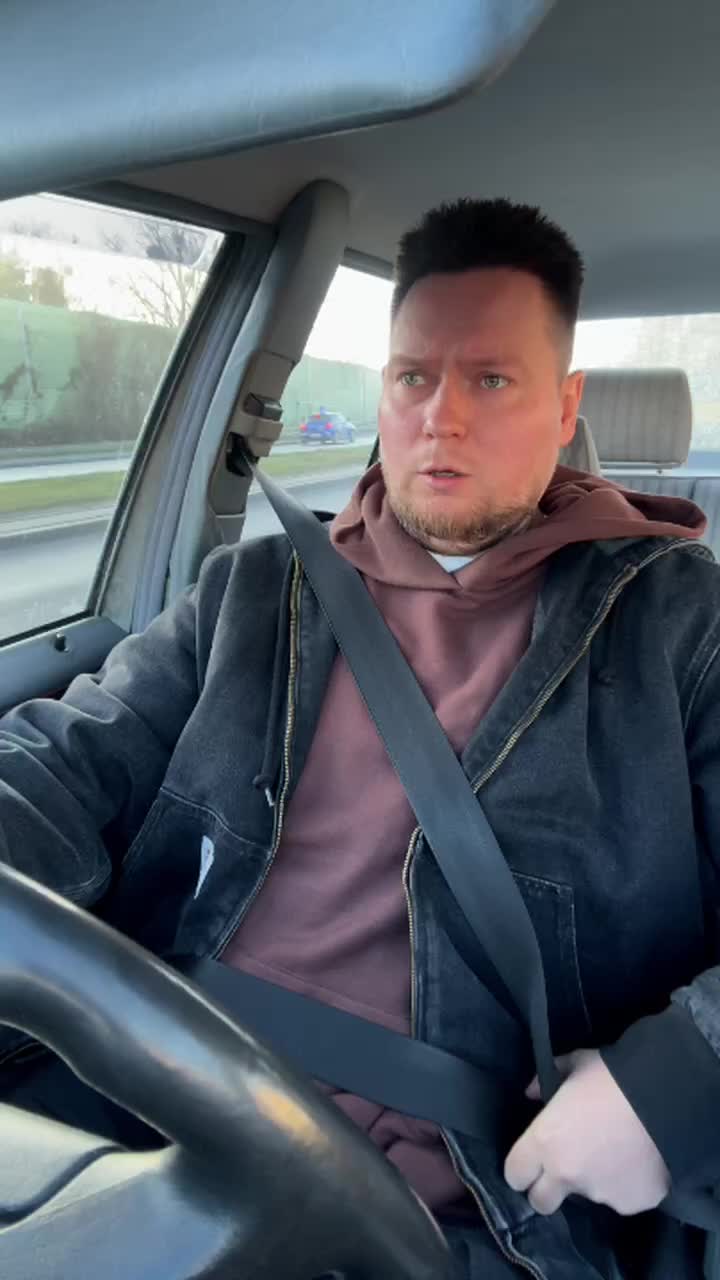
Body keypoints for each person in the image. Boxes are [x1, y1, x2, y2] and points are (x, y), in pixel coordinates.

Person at [1, 197, 719, 1280]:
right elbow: (64, 758)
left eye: (492, 380)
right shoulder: (254, 591)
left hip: (465, 1210)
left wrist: (670, 1085)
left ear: (566, 403)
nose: (441, 418)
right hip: (139, 1110)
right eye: (413, 376)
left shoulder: (681, 628)